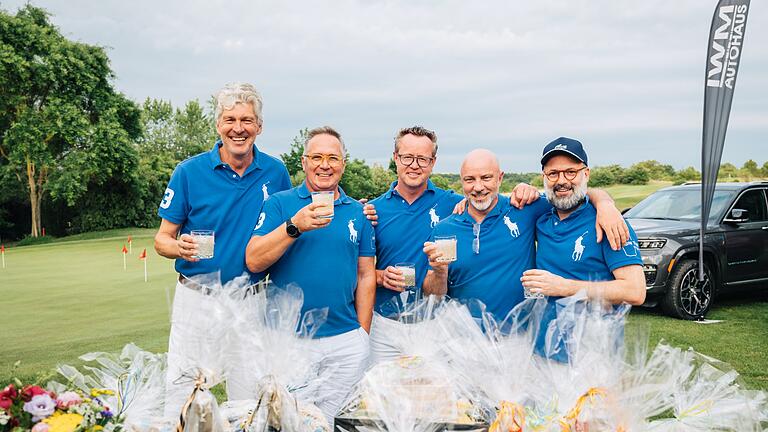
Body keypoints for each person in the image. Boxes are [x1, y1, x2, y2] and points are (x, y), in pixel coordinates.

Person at [154, 83, 291, 416]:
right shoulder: (188, 171)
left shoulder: (276, 172)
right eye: (230, 119)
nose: (238, 128)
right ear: (218, 125)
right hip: (197, 299)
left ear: (259, 126)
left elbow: (286, 230)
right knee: (182, 395)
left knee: (247, 399)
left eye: (246, 120)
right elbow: (161, 240)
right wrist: (178, 247)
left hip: (252, 300)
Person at [245, 126, 375, 422]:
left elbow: (366, 274)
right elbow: (254, 260)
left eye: (333, 157)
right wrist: (295, 226)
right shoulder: (279, 204)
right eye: (316, 157)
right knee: (291, 423)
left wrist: (362, 334)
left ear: (343, 163)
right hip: (290, 341)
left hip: (344, 341)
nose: (324, 165)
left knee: (337, 423)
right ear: (303, 162)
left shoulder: (358, 212)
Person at [422, 148, 628, 321]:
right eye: (470, 180)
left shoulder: (525, 208)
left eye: (486, 178)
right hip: (463, 342)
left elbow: (569, 194)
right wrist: (439, 273)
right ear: (462, 181)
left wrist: (604, 203)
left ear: (500, 178)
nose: (478, 187)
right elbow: (434, 296)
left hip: (520, 339)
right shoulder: (444, 229)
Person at [521, 137, 645, 362]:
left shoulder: (609, 223)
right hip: (543, 353)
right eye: (553, 174)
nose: (562, 181)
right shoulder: (542, 217)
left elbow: (635, 291)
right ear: (544, 178)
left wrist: (563, 287)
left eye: (570, 172)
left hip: (593, 357)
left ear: (585, 174)